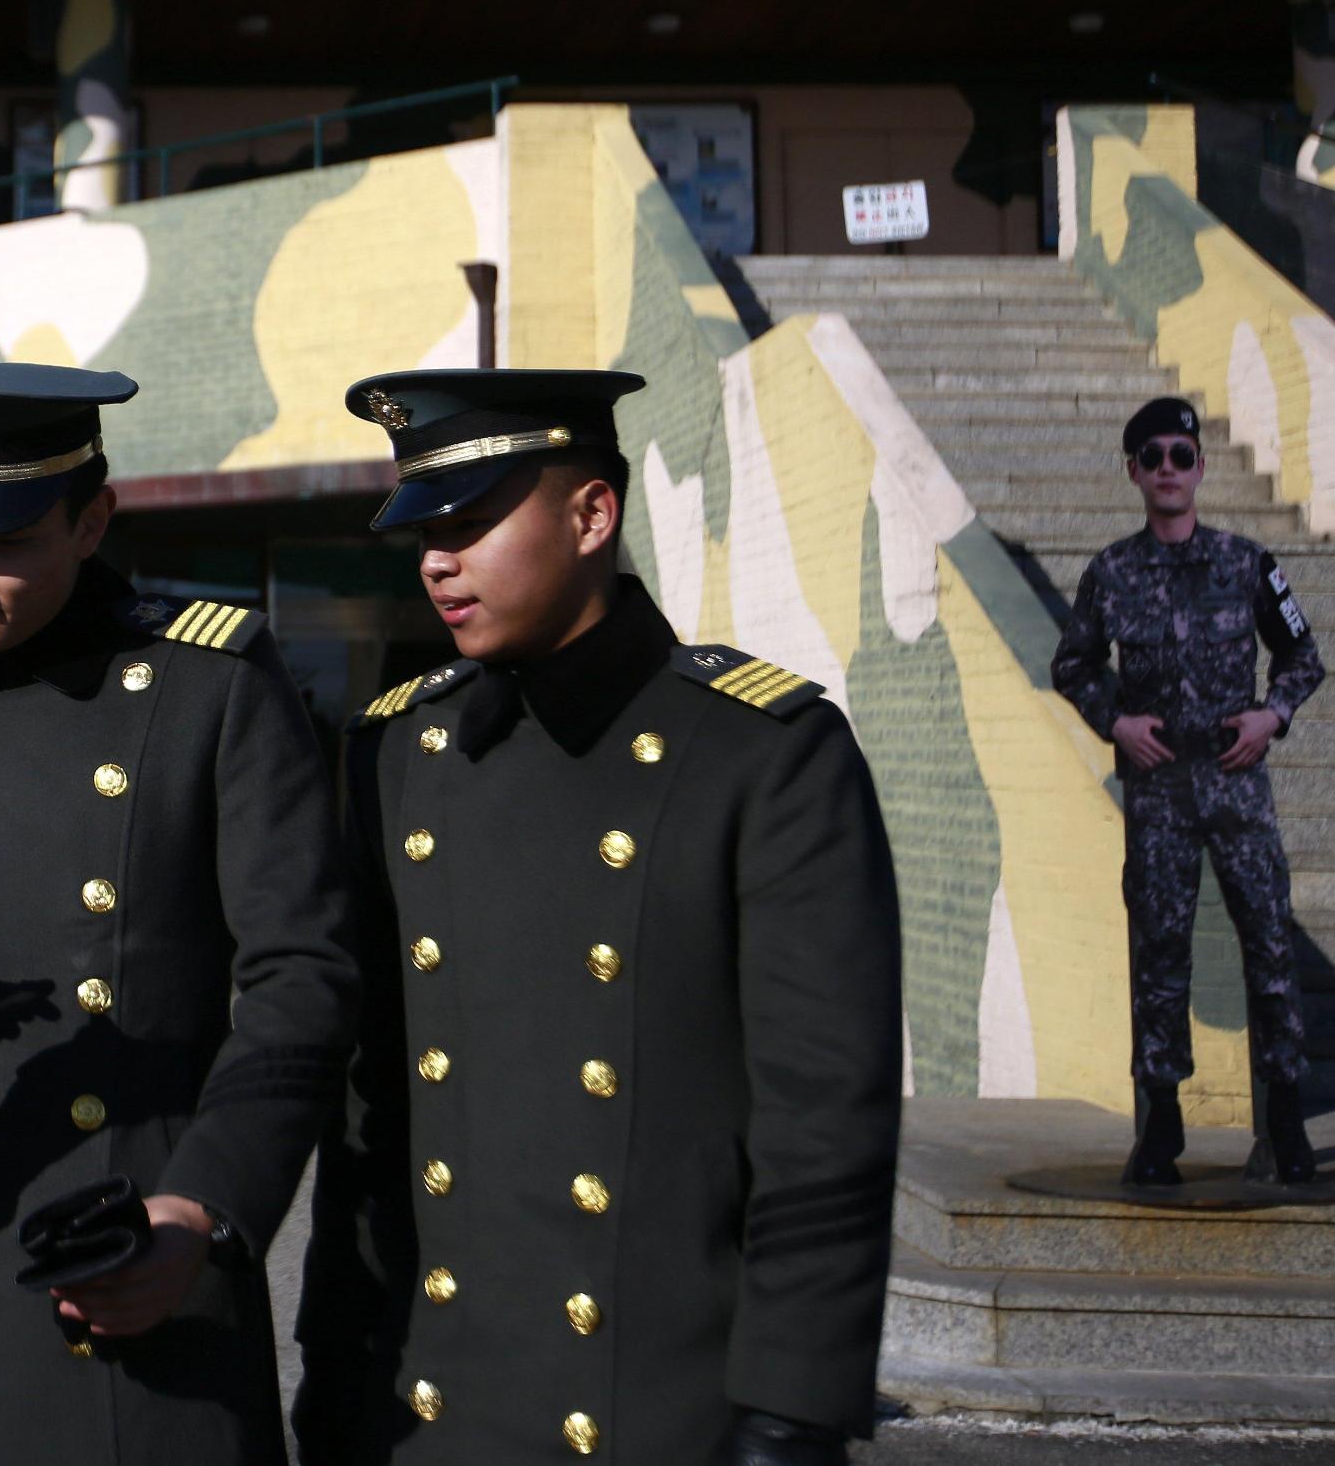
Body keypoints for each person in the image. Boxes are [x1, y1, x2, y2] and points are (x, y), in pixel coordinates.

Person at [293, 369, 903, 1466]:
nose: (436, 557)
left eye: (471, 521)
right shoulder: (400, 754)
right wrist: (333, 1377)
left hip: (656, 1411)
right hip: (426, 1408)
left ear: (592, 514)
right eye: (423, 526)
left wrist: (791, 1412)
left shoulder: (762, 754)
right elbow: (370, 1117)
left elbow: (823, 1128)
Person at [0, 362, 358, 1465]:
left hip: (126, 1248)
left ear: (91, 519)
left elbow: (302, 980)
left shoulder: (210, 685)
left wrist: (205, 1209)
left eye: (2, 538)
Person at [1049, 394, 1325, 1188]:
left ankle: (1286, 1118)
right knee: (1161, 954)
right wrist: (1117, 722)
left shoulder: (1248, 563)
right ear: (1133, 471)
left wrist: (1272, 715)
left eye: (1181, 454)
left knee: (1269, 944)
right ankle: (1161, 1122)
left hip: (1237, 782)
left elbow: (1303, 657)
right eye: (1153, 457)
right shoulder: (1111, 572)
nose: (1168, 468)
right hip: (1160, 788)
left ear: (1200, 467)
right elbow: (1073, 665)